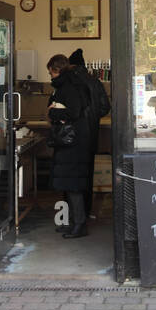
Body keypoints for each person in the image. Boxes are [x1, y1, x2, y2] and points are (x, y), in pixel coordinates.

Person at [46, 53, 92, 239]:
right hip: (70, 140)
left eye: (51, 73)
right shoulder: (71, 84)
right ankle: (73, 222)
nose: (51, 76)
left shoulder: (69, 86)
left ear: (57, 70)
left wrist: (53, 112)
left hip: (72, 141)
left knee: (73, 184)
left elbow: (74, 111)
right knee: (69, 183)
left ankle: (79, 224)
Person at [68, 48, 110, 218]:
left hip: (72, 136)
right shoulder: (95, 81)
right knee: (87, 173)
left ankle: (73, 215)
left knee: (70, 176)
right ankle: (87, 211)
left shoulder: (68, 82)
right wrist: (93, 118)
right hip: (91, 134)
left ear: (71, 65)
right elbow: (105, 107)